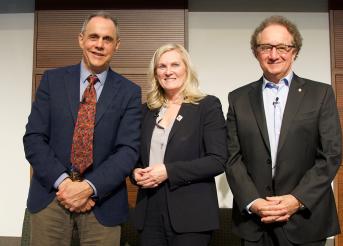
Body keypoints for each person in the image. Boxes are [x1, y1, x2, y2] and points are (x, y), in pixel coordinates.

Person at [23, 11, 141, 245]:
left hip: (102, 203)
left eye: (107, 39)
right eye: (93, 37)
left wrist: (88, 188)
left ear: (117, 45)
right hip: (51, 197)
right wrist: (65, 184)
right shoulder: (51, 80)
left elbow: (128, 151)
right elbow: (34, 138)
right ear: (81, 39)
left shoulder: (129, 92)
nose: (99, 44)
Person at [225, 15, 342, 246]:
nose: (273, 54)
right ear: (255, 52)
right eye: (266, 47)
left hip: (305, 220)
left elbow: (331, 155)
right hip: (255, 222)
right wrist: (254, 202)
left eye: (282, 47)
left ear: (295, 51)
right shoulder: (238, 98)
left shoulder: (321, 94)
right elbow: (232, 157)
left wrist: (296, 200)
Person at [132, 43, 227, 246]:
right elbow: (135, 157)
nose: (168, 72)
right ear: (155, 72)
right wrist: (135, 173)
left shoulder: (207, 106)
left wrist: (169, 171)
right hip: (149, 212)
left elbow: (218, 160)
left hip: (191, 215)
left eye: (175, 65)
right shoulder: (146, 111)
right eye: (162, 66)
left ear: (186, 69)